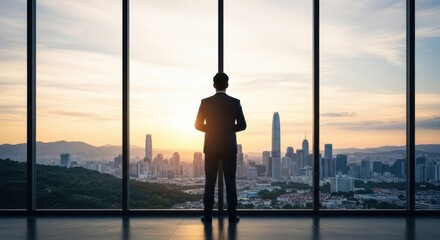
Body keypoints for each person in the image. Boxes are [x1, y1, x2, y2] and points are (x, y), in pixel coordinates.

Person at [195, 72, 247, 224]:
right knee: (230, 182)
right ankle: (232, 216)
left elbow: (197, 125)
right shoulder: (235, 102)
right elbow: (243, 125)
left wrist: (212, 130)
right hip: (229, 147)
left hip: (211, 147)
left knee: (209, 183)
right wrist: (228, 129)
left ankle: (207, 216)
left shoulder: (205, 102)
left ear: (213, 85)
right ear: (227, 85)